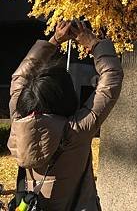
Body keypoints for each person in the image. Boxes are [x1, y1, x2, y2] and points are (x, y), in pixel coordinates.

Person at [8, 19, 124, 211]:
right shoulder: (76, 130)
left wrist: (53, 41)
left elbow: (20, 77)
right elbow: (112, 77)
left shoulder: (17, 118)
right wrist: (93, 43)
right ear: (66, 97)